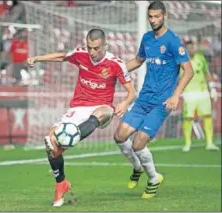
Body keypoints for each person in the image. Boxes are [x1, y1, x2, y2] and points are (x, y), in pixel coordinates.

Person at [27, 29, 136, 207]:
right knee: (51, 139)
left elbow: (132, 92)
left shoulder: (116, 64)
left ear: (105, 45)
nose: (92, 52)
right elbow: (62, 57)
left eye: (96, 48)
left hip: (102, 108)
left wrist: (124, 103)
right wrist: (37, 58)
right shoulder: (80, 54)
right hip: (78, 108)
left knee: (103, 113)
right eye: (89, 47)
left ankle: (68, 142)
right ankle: (61, 183)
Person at [113, 1, 194, 199]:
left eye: (157, 16)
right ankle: (137, 167)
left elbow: (189, 70)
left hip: (162, 102)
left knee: (138, 143)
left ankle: (153, 178)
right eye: (150, 16)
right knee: (119, 136)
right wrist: (116, 70)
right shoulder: (147, 38)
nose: (153, 20)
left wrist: (175, 95)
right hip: (143, 99)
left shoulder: (173, 41)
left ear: (164, 16)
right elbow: (138, 60)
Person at [181, 40, 219, 152]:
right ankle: (187, 144)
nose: (192, 49)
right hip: (188, 94)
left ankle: (209, 143)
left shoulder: (200, 58)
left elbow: (206, 73)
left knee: (207, 116)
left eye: (193, 47)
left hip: (203, 93)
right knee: (188, 118)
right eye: (189, 48)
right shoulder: (180, 61)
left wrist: (212, 88)